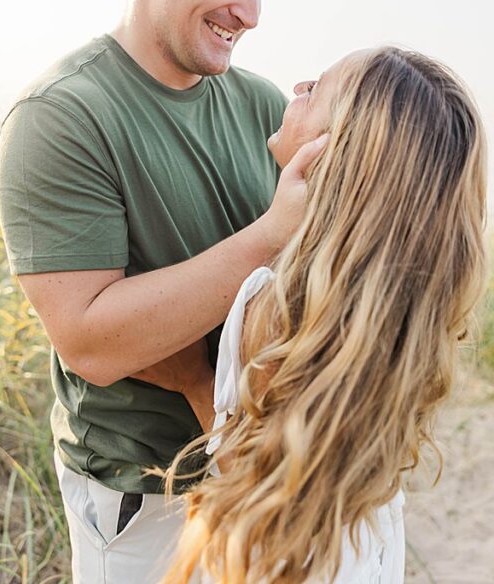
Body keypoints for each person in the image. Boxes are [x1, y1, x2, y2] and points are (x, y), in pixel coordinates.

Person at [0, 0, 325, 581]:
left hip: (265, 470)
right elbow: (90, 340)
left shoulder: (262, 105)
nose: (251, 11)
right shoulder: (62, 115)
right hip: (143, 498)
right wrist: (273, 232)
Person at [157, 46, 486, 583]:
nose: (298, 86)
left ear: (334, 150)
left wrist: (194, 380)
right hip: (365, 549)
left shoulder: (273, 301)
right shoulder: (394, 304)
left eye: (317, 90)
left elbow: (257, 481)